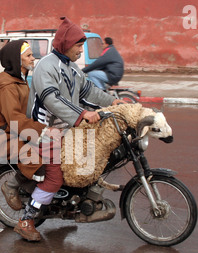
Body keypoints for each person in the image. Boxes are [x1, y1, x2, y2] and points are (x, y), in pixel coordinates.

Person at [23, 17, 123, 241]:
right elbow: (53, 100)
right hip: (44, 130)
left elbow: (89, 90)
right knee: (54, 179)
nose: (81, 50)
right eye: (78, 45)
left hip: (66, 126)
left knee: (92, 156)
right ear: (67, 44)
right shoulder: (45, 67)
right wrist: (82, 114)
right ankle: (26, 219)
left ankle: (69, 206)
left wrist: (111, 102)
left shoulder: (71, 67)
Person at [0, 40, 46, 229]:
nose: (33, 58)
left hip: (18, 131)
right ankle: (10, 186)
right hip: (5, 137)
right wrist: (42, 130)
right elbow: (14, 119)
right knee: (39, 160)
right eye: (28, 56)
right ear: (16, 60)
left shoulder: (20, 79)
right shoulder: (7, 87)